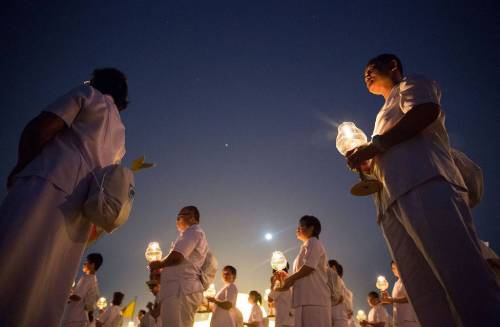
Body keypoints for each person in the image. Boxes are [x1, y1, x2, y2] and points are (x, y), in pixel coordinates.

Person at [347, 54, 500, 326]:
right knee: (424, 292)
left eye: (371, 68)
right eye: (363, 74)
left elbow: (424, 112)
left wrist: (376, 146)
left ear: (393, 66)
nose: (366, 75)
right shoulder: (380, 118)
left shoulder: (410, 84)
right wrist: (369, 162)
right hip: (392, 202)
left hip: (424, 182)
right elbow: (386, 150)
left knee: (461, 275)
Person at [0, 68, 128, 327]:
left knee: (10, 259)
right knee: (45, 292)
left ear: (96, 82)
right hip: (79, 217)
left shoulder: (89, 95)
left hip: (48, 182)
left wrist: (21, 165)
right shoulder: (120, 134)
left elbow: (40, 129)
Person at [149, 205, 209, 327]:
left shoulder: (193, 231)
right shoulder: (188, 234)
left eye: (179, 216)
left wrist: (159, 264)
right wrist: (160, 267)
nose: (177, 220)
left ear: (191, 216)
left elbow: (177, 257)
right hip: (179, 290)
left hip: (180, 291)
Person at [278, 215, 331, 327]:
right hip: (304, 300)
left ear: (311, 228)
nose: (297, 229)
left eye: (301, 226)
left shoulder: (313, 242)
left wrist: (290, 279)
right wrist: (286, 279)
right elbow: (301, 274)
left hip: (314, 300)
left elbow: (309, 267)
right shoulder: (306, 246)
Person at [62, 253, 103, 326]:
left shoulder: (87, 279)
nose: (84, 264)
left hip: (75, 318)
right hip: (80, 319)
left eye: (87, 262)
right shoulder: (93, 280)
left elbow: (77, 297)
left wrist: (65, 293)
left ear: (92, 265)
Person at [380, 261, 418, 327]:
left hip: (408, 319)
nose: (393, 270)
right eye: (392, 268)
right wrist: (387, 299)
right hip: (398, 320)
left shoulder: (408, 279)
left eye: (395, 267)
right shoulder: (396, 284)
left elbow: (410, 298)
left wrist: (392, 300)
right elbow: (395, 301)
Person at [328, 260, 350, 327]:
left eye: (327, 267)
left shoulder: (337, 281)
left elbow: (340, 298)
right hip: (338, 317)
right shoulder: (337, 281)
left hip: (338, 318)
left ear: (333, 268)